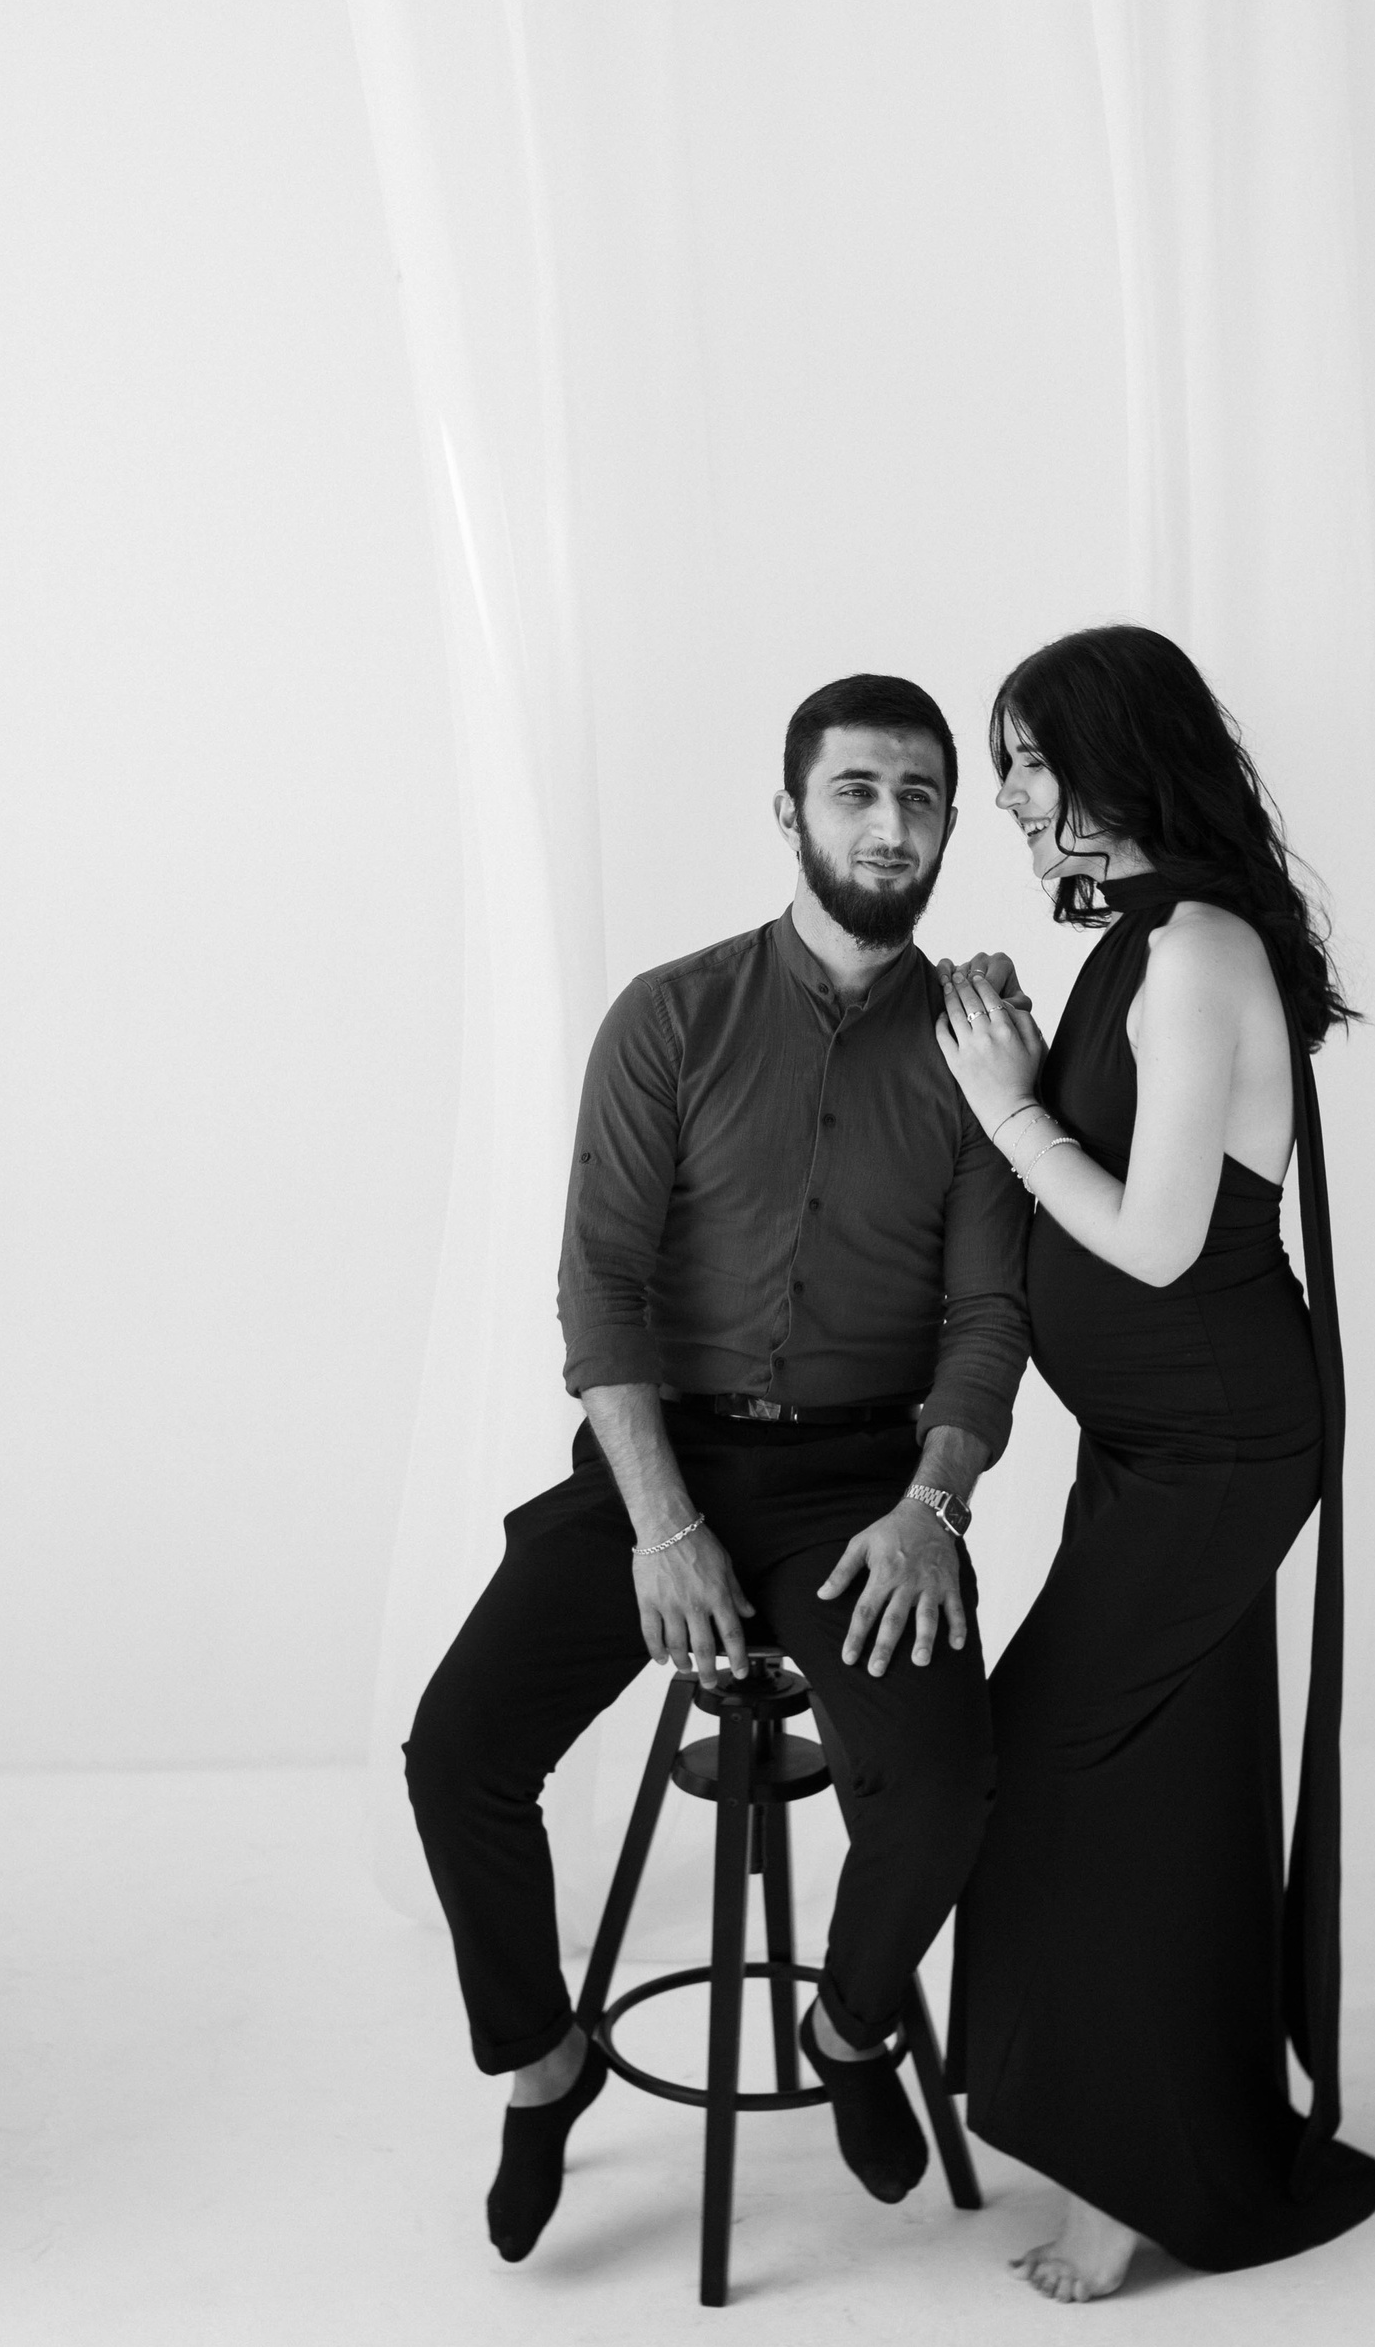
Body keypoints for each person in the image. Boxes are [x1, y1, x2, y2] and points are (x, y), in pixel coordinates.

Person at [404, 675, 1029, 2264]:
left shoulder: (977, 1052)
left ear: (951, 826)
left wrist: (934, 1504)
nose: (891, 824)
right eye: (857, 790)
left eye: (922, 796)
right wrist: (662, 1525)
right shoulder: (669, 1016)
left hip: (863, 1491)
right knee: (459, 1754)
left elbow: (987, 1319)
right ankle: (542, 2063)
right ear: (789, 813)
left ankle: (850, 2028)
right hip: (656, 1464)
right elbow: (599, 1287)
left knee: (946, 1785)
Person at [933, 623, 1375, 2301]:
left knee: (1056, 1762)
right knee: (1168, 1784)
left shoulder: (1196, 951)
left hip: (1218, 1444)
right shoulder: (1143, 940)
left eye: (1032, 759)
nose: (1011, 797)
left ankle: (1132, 2171)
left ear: (1122, 755)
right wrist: (1020, 1058)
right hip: (1157, 1439)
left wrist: (1006, 1106)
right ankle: (1164, 2133)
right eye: (1007, 767)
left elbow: (1153, 1239)